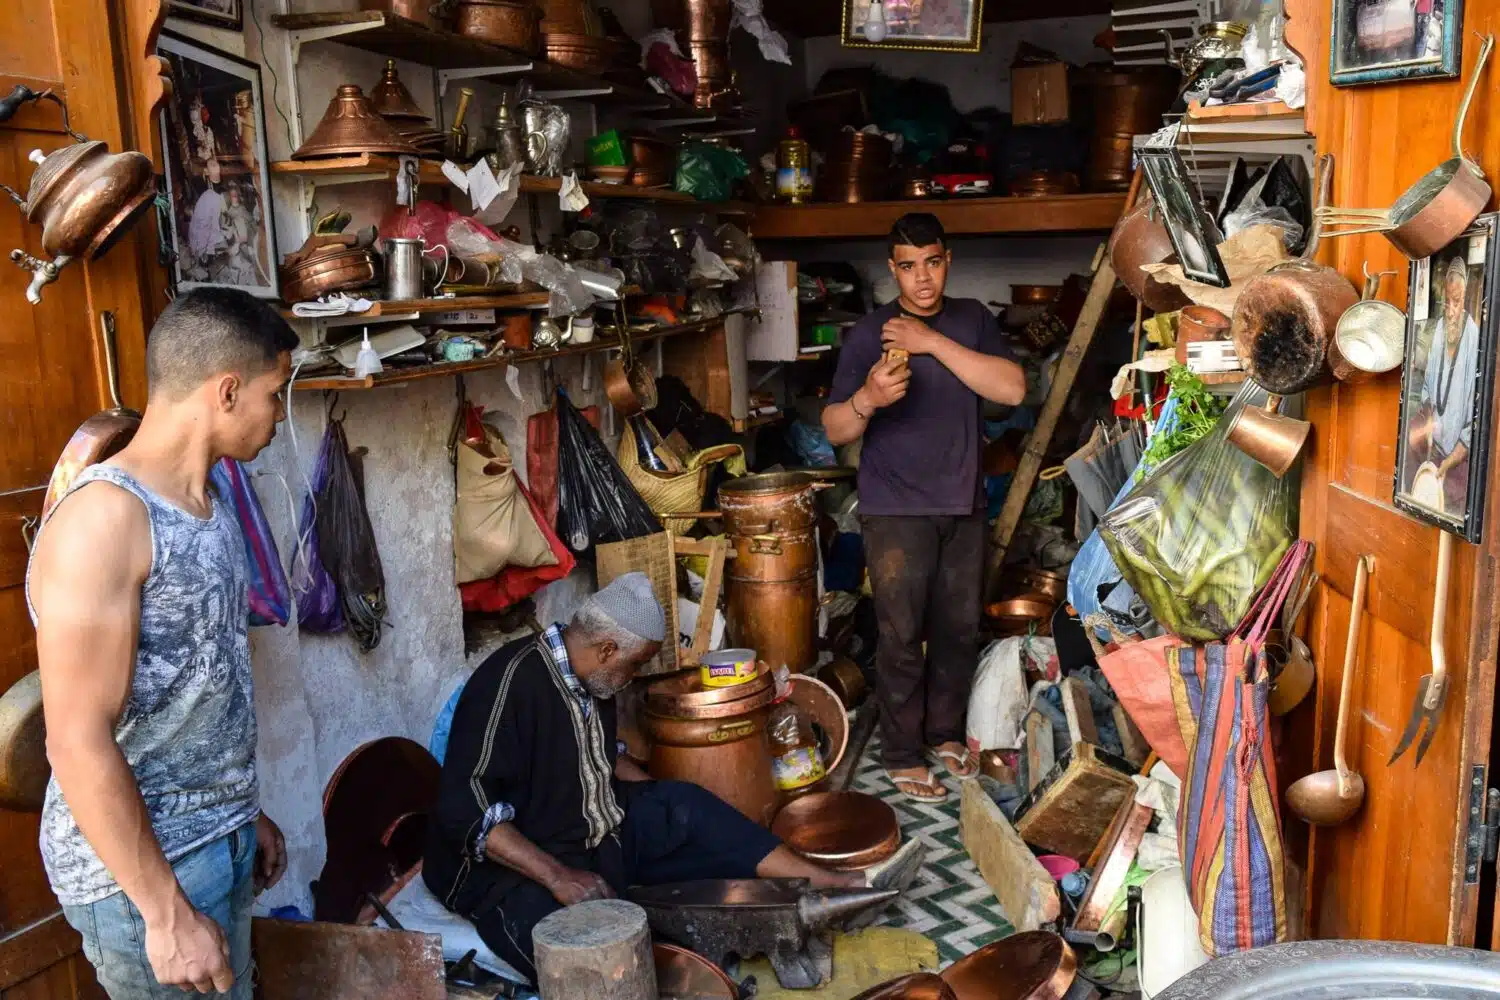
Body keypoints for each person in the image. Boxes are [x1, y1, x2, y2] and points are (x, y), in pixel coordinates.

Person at [426, 575, 911, 983]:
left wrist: (661, 800)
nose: (634, 676)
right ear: (608, 647)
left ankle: (829, 884)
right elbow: (466, 812)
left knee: (685, 806)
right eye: (635, 664)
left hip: (590, 835)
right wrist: (559, 877)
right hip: (517, 867)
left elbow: (602, 752)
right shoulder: (508, 682)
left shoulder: (594, 675)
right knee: (586, 956)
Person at [28, 288, 300, 999]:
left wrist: (241, 810)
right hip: (145, 877)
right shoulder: (108, 520)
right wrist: (164, 911)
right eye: (276, 394)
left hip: (216, 839)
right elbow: (77, 740)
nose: (280, 414)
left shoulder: (208, 504)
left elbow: (191, 686)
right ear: (228, 391)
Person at [822, 213, 1025, 803]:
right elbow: (835, 428)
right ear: (893, 270)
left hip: (962, 501)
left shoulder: (971, 321)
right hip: (895, 506)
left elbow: (1011, 391)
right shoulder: (868, 333)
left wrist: (930, 341)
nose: (922, 279)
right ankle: (902, 753)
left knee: (958, 630)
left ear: (947, 261)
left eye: (932, 263)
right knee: (901, 633)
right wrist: (868, 397)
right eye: (908, 267)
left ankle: (941, 735)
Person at [1408, 255, 1478, 513]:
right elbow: (1427, 388)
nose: (1450, 311)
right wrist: (1426, 424)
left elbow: (1475, 421)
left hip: (1458, 462)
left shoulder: (1475, 340)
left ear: (1466, 298)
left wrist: (1448, 463)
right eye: (1446, 301)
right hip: (1432, 450)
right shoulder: (1438, 330)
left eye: (1456, 302)